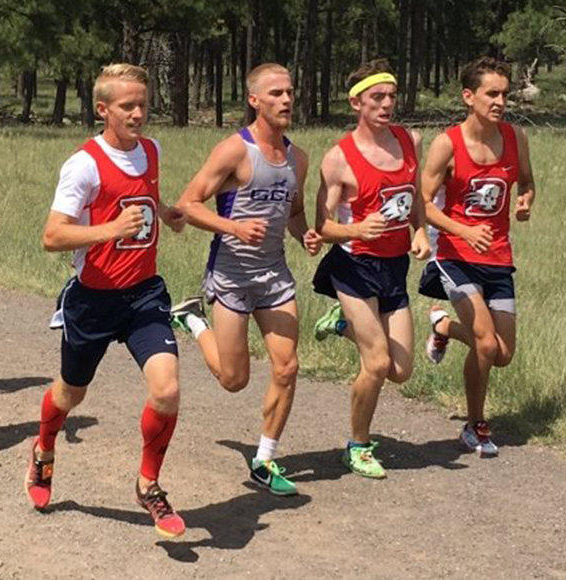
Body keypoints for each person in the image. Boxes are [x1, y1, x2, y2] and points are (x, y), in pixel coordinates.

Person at [25, 64, 188, 538]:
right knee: (71, 393)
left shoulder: (152, 151)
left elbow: (142, 198)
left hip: (143, 295)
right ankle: (44, 448)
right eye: (127, 106)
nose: (139, 113)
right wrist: (109, 231)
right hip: (92, 301)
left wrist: (166, 212)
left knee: (167, 389)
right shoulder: (84, 164)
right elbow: (52, 235)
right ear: (103, 110)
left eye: (143, 103)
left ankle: (149, 484)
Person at [169, 63, 321, 496]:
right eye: (275, 93)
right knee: (234, 380)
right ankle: (192, 321)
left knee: (287, 366)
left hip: (274, 276)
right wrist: (233, 227)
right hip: (232, 276)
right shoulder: (234, 151)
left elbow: (292, 212)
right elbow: (189, 204)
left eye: (290, 92)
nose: (286, 100)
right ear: (254, 100)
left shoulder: (298, 158)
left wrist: (305, 234)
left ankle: (265, 459)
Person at [309, 60, 430, 479]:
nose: (387, 104)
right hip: (354, 265)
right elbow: (321, 226)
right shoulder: (338, 159)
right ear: (356, 102)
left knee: (400, 370)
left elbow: (414, 196)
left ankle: (341, 326)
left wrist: (420, 231)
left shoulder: (410, 140)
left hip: (394, 266)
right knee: (376, 364)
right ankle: (357, 445)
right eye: (377, 97)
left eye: (392, 96)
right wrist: (357, 227)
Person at [416, 56, 536, 457]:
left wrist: (524, 203)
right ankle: (474, 425)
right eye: (492, 94)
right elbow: (423, 204)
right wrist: (463, 230)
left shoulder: (516, 138)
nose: (500, 101)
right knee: (485, 344)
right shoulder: (447, 144)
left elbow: (528, 184)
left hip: (499, 257)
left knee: (501, 354)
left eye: (505, 93)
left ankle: (443, 327)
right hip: (454, 255)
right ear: (469, 96)